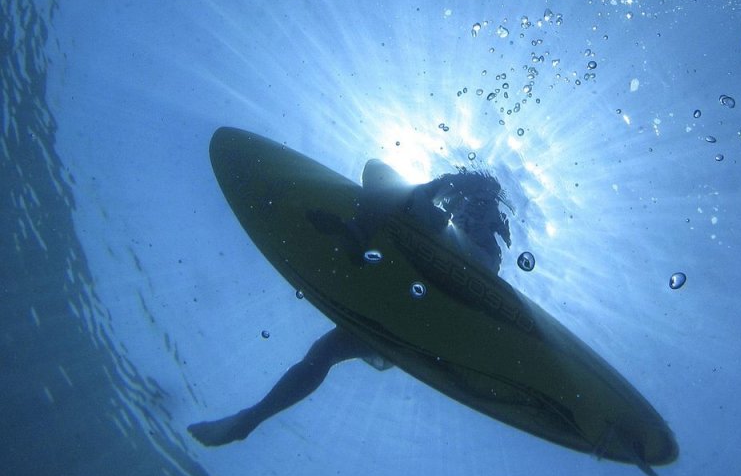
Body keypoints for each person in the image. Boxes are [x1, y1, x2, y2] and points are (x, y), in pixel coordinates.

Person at [187, 160, 513, 447]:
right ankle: (250, 419)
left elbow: (428, 196)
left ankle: (356, 233)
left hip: (465, 278)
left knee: (381, 173)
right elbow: (428, 194)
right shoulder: (463, 202)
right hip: (415, 300)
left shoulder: (480, 199)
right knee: (325, 351)